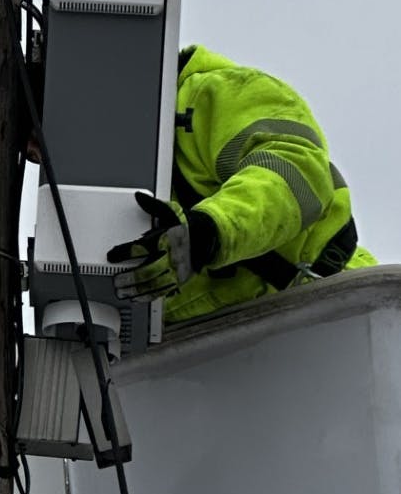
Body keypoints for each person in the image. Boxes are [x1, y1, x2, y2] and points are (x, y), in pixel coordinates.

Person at [107, 44, 377, 322]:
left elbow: (292, 171)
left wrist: (210, 229)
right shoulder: (110, 166)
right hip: (224, 338)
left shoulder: (215, 94)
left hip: (340, 305)